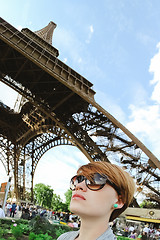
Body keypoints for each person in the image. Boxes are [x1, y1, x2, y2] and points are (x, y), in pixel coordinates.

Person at [57, 161, 135, 240]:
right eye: (78, 180)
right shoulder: (63, 237)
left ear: (119, 201)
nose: (78, 185)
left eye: (94, 180)